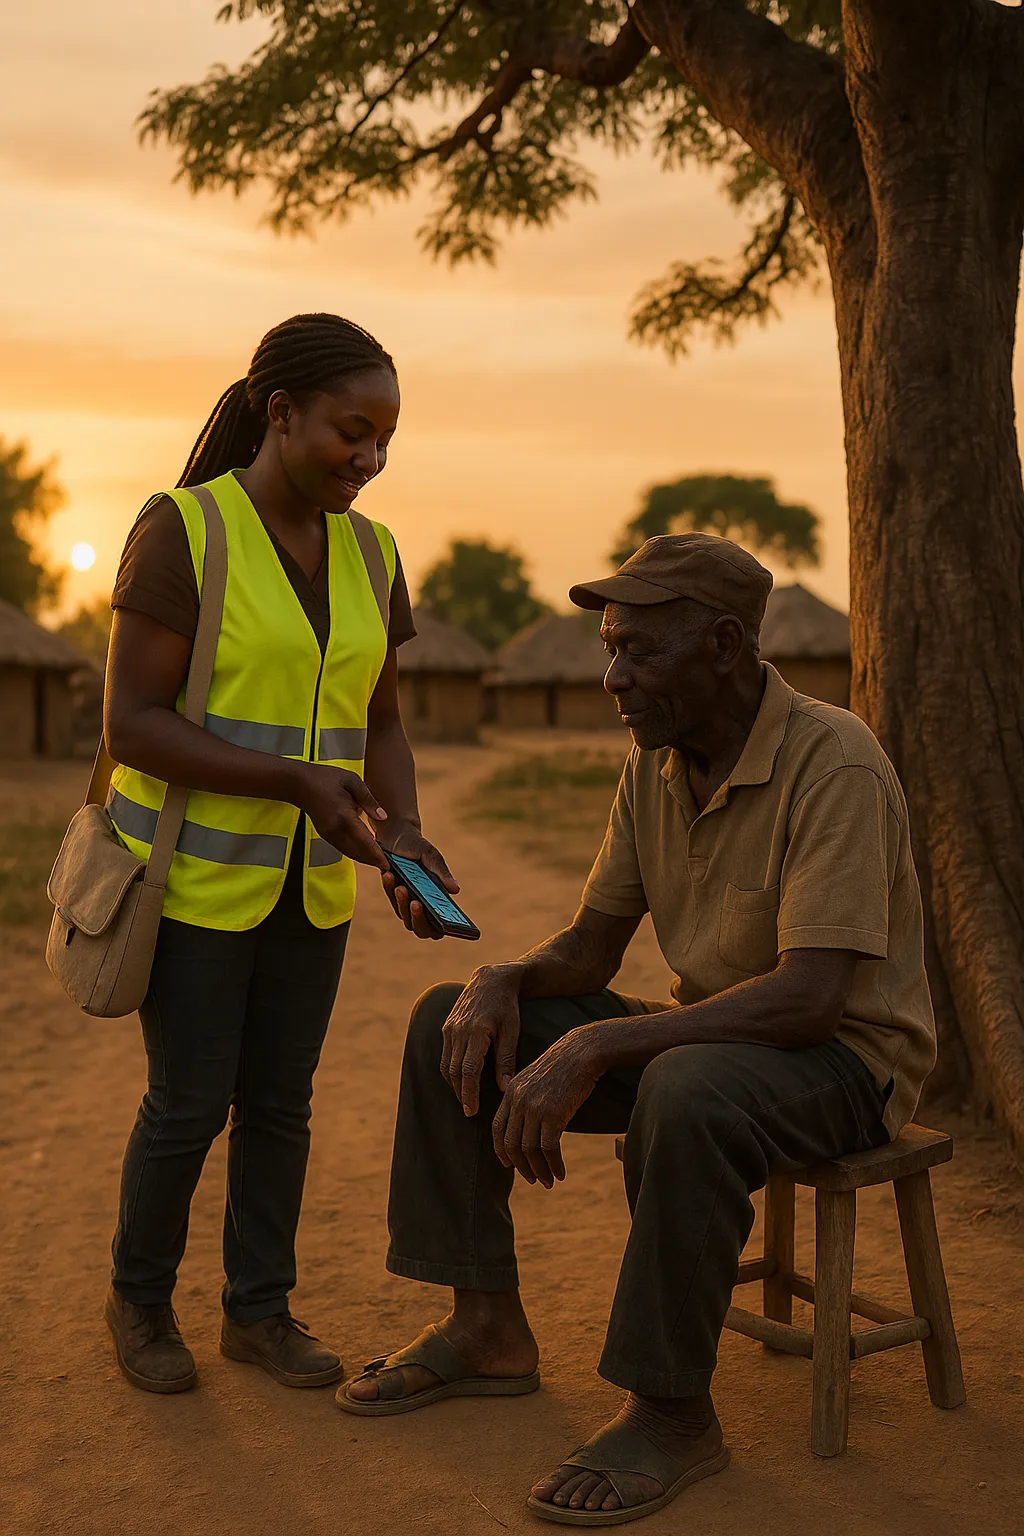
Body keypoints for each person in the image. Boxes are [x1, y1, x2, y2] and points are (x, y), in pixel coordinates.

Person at [339, 533, 937, 1527]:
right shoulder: (653, 764)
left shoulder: (834, 762)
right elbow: (590, 948)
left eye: (638, 653)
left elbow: (811, 999)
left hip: (843, 1063)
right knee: (447, 1019)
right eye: (608, 649)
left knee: (682, 1086)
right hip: (711, 1040)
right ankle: (485, 1326)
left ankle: (671, 1413)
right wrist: (506, 979)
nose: (612, 678)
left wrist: (598, 1044)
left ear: (725, 646)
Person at [103, 311, 454, 1396]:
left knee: (282, 1105)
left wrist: (402, 829)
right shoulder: (186, 530)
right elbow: (131, 723)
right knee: (189, 1102)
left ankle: (257, 1313)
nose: (370, 458)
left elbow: (381, 718)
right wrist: (294, 784)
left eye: (386, 439)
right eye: (352, 431)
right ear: (281, 412)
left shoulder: (373, 550)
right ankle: (140, 1302)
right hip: (193, 880)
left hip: (310, 892)